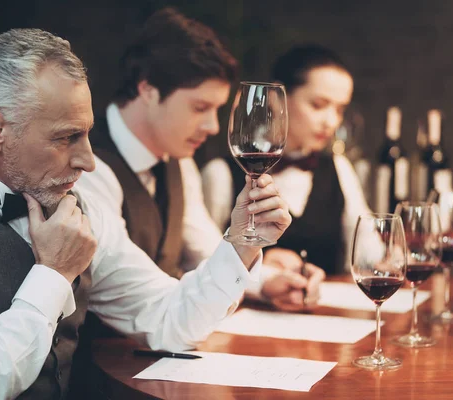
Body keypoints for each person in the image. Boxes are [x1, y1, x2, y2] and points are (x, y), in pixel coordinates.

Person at [0, 28, 291, 400]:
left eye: (88, 134)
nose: (89, 161)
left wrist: (240, 242)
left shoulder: (79, 211)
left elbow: (168, 319)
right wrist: (53, 274)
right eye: (66, 137)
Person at [77, 8, 324, 312]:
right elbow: (140, 297)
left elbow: (205, 248)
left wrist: (269, 281)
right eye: (199, 108)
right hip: (104, 353)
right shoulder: (87, 167)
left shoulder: (178, 161)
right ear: (148, 90)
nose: (213, 127)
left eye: (216, 110)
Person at [203, 44, 371, 276]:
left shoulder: (339, 168)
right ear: (275, 99)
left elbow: (369, 251)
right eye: (318, 105)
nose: (331, 121)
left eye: (340, 110)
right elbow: (202, 259)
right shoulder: (220, 173)